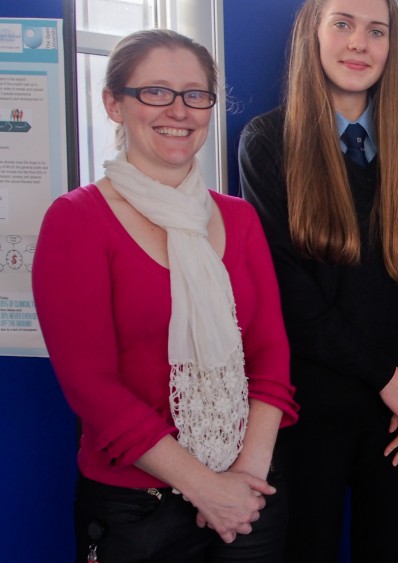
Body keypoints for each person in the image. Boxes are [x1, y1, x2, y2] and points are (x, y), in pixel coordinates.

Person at [32, 29, 298, 562]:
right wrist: (204, 486)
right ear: (113, 103)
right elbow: (92, 386)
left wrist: (244, 475)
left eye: (195, 94)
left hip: (250, 495)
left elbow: (269, 353)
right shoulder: (78, 220)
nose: (178, 110)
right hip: (137, 511)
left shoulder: (239, 219)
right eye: (154, 91)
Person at [237, 0, 398, 563]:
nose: (359, 44)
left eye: (376, 30)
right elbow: (288, 291)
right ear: (313, 35)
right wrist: (384, 377)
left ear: (393, 47)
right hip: (313, 414)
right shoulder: (269, 142)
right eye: (342, 24)